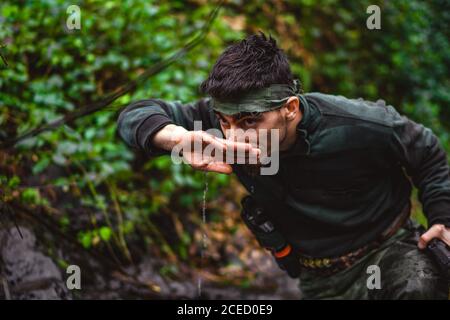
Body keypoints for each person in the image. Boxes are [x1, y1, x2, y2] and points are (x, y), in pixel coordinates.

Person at [117, 32, 450, 299]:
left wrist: (442, 216)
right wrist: (175, 138)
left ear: (290, 108)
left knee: (419, 288)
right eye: (224, 120)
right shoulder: (221, 123)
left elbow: (428, 152)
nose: (233, 135)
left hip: (390, 251)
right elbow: (133, 115)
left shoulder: (360, 124)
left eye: (249, 121)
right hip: (317, 277)